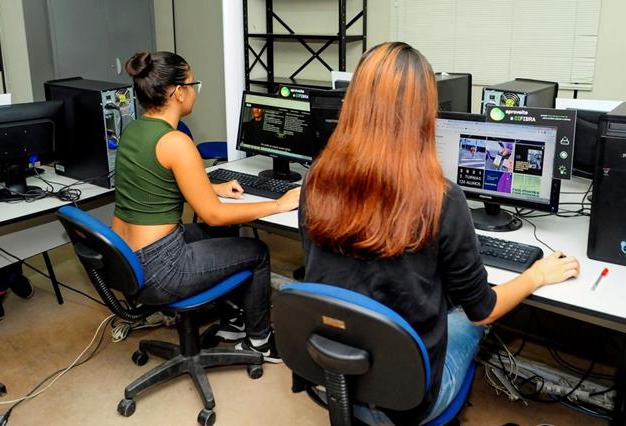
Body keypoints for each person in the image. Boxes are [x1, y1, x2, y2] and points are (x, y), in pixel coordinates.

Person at [299, 42, 579, 424]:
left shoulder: (316, 182)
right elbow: (482, 310)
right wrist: (535, 276)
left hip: (337, 373)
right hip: (408, 400)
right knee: (470, 318)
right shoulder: (441, 199)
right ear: (424, 114)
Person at [112, 51, 300, 362]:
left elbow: (154, 182)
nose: (195, 90)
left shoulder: (134, 129)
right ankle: (260, 341)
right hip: (162, 268)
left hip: (127, 258)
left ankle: (232, 320)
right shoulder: (176, 142)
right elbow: (214, 212)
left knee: (217, 236)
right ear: (178, 92)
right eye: (193, 83)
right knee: (256, 253)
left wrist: (211, 187)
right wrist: (277, 205)